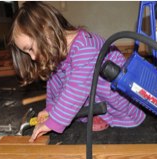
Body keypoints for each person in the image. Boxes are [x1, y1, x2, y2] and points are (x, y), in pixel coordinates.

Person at [8, 1, 145, 143]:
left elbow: (76, 89)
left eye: (30, 48)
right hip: (98, 98)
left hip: (122, 101)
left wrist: (54, 120)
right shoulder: (57, 51)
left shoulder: (84, 47)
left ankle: (106, 114)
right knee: (59, 77)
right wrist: (50, 109)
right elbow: (55, 85)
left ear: (45, 30)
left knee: (78, 87)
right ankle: (97, 113)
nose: (33, 57)